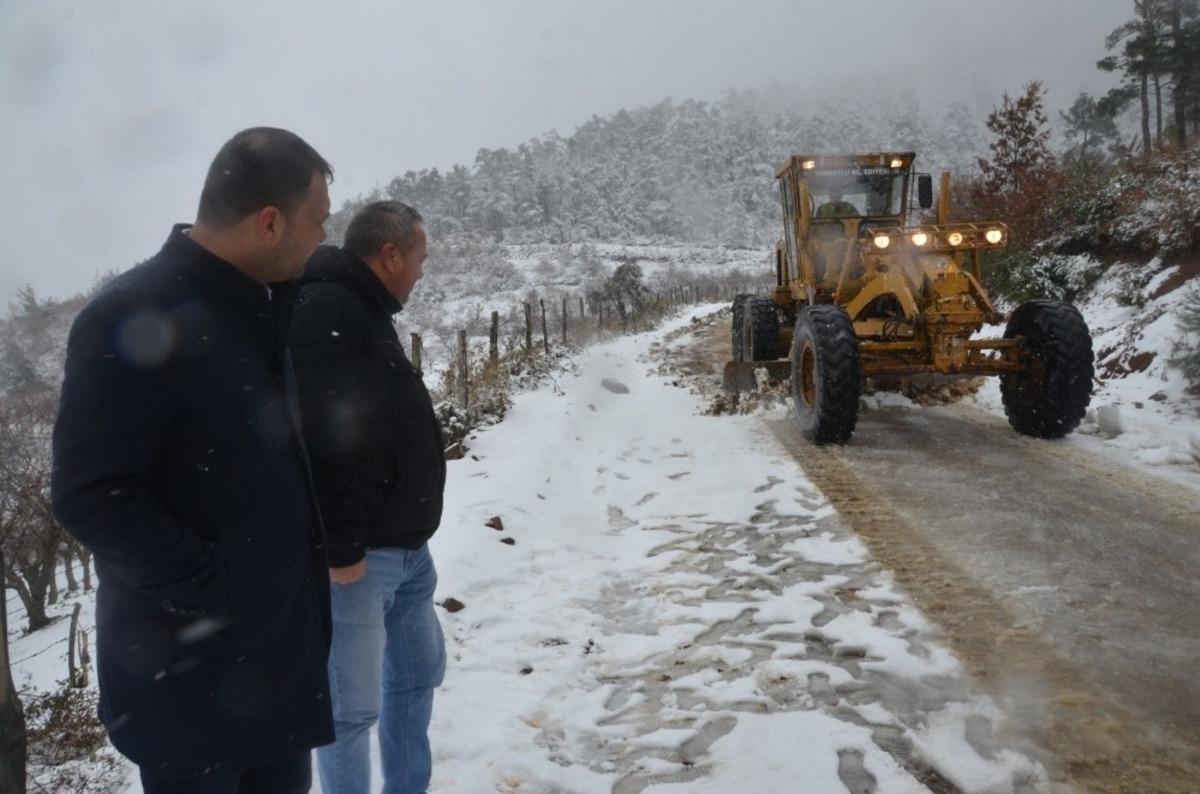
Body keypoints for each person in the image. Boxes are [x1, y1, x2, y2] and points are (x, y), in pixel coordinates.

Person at [51, 127, 336, 793]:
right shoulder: (131, 316)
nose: (324, 238)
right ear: (270, 222)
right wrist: (219, 588)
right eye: (318, 221)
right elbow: (90, 494)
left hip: (277, 675)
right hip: (187, 690)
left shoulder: (261, 309)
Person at [289, 201, 447, 794]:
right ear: (389, 255)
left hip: (407, 551)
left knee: (414, 679)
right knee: (349, 711)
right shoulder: (327, 309)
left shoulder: (364, 309)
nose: (421, 271)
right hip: (359, 561)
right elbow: (321, 433)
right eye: (419, 258)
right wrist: (342, 546)